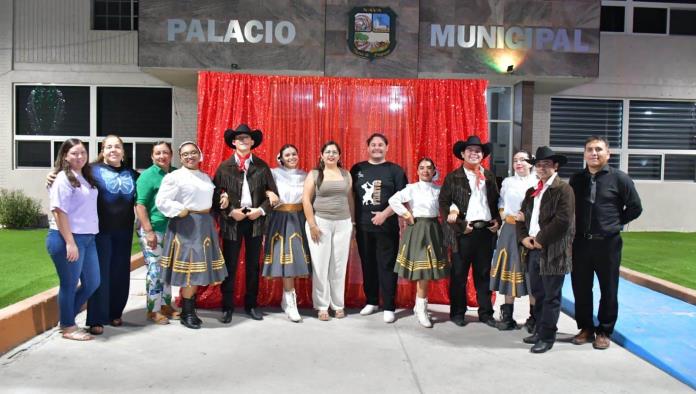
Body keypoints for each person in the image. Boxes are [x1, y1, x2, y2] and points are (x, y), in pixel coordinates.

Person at [570, 136, 642, 350]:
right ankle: (586, 328)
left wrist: (615, 223)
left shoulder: (620, 179)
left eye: (598, 149)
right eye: (590, 149)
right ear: (584, 154)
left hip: (608, 243)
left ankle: (604, 330)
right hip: (581, 243)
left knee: (608, 289)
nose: (594, 153)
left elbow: (635, 207)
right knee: (580, 288)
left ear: (608, 154)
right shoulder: (577, 179)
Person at [156, 141, 228, 329]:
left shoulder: (205, 177)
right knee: (190, 271)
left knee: (198, 271)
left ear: (199, 154)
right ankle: (187, 312)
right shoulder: (175, 177)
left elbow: (208, 198)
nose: (190, 156)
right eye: (186, 154)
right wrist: (178, 209)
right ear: (180, 157)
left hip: (204, 225)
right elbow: (162, 201)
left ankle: (190, 309)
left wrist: (223, 196)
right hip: (186, 225)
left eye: (193, 153)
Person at [213, 124, 277, 323]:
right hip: (233, 222)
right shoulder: (224, 167)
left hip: (255, 221)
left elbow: (274, 196)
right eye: (239, 138)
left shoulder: (262, 166)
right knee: (230, 264)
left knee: (252, 266)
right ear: (233, 142)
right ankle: (227, 307)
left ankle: (251, 305)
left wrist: (260, 210)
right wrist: (231, 211)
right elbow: (215, 197)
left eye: (246, 138)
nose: (243, 141)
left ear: (252, 142)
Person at [517, 146, 575, 354]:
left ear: (555, 166)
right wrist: (523, 237)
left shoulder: (563, 190)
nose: (541, 168)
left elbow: (563, 220)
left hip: (553, 251)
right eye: (538, 164)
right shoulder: (532, 191)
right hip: (532, 249)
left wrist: (541, 239)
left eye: (546, 164)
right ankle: (540, 330)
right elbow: (521, 217)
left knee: (551, 296)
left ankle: (548, 336)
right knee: (539, 294)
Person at [439, 135, 500, 328]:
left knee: (483, 275)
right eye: (470, 151)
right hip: (463, 232)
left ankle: (486, 313)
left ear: (482, 155)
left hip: (485, 232)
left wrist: (497, 221)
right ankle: (457, 313)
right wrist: (459, 225)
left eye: (478, 151)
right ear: (463, 154)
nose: (474, 154)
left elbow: (497, 202)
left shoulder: (489, 176)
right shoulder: (453, 177)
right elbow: (444, 204)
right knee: (458, 275)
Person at [46, 139, 100, 341]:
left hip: (88, 238)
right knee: (69, 284)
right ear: (65, 156)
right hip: (68, 237)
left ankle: (65, 316)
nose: (80, 157)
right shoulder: (62, 178)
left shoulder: (84, 176)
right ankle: (68, 326)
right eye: (74, 153)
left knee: (93, 282)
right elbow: (59, 212)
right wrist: (70, 242)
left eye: (83, 153)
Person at [350, 133, 408, 323]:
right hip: (363, 226)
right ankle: (372, 300)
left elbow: (402, 198)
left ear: (387, 147)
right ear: (367, 147)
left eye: (380, 144)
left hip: (387, 227)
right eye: (373, 145)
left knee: (387, 265)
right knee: (368, 264)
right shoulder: (357, 169)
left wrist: (384, 214)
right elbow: (350, 197)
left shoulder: (395, 171)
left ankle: (389, 305)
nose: (377, 147)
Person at [86, 135, 139, 335]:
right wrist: (53, 175)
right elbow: (69, 176)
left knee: (119, 273)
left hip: (123, 232)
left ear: (123, 151)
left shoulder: (133, 174)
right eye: (109, 147)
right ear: (102, 150)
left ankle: (115, 312)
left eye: (117, 147)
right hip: (100, 232)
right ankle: (96, 318)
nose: (113, 150)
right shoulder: (91, 170)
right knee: (99, 274)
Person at [388, 158, 448, 328]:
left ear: (434, 170)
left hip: (434, 229)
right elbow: (393, 200)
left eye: (429, 168)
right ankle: (421, 308)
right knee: (422, 271)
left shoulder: (439, 189)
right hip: (417, 229)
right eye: (422, 168)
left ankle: (419, 306)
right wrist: (406, 214)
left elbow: (448, 205)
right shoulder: (411, 188)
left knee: (427, 271)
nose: (425, 171)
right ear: (417, 171)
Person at [303, 141, 354, 321]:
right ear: (321, 155)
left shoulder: (346, 174)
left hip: (343, 223)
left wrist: (352, 223)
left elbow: (349, 199)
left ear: (339, 156)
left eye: (334, 152)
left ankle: (338, 305)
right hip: (320, 223)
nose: (331, 155)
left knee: (339, 266)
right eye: (328, 152)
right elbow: (306, 201)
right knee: (320, 265)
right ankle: (322, 306)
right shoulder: (315, 174)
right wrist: (312, 225)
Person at [262, 144, 311, 322]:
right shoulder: (274, 173)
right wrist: (269, 193)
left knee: (296, 260)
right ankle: (291, 301)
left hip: (300, 218)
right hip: (280, 218)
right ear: (280, 158)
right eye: (287, 155)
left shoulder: (306, 176)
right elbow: (261, 187)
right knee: (286, 259)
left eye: (294, 154)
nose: (291, 157)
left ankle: (286, 297)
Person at [489, 149, 537, 331]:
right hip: (509, 230)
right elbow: (501, 203)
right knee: (509, 269)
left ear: (531, 163)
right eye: (515, 160)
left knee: (530, 273)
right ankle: (507, 315)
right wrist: (504, 215)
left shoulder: (537, 182)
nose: (518, 163)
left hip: (529, 230)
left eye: (523, 160)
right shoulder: (508, 182)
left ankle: (533, 317)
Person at [134, 141, 180, 325]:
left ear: (171, 155)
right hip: (152, 229)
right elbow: (140, 205)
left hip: (173, 230)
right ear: (152, 156)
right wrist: (149, 231)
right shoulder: (147, 176)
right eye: (158, 153)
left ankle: (166, 305)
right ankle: (153, 310)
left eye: (165, 152)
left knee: (167, 269)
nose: (162, 156)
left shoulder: (177, 174)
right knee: (154, 270)